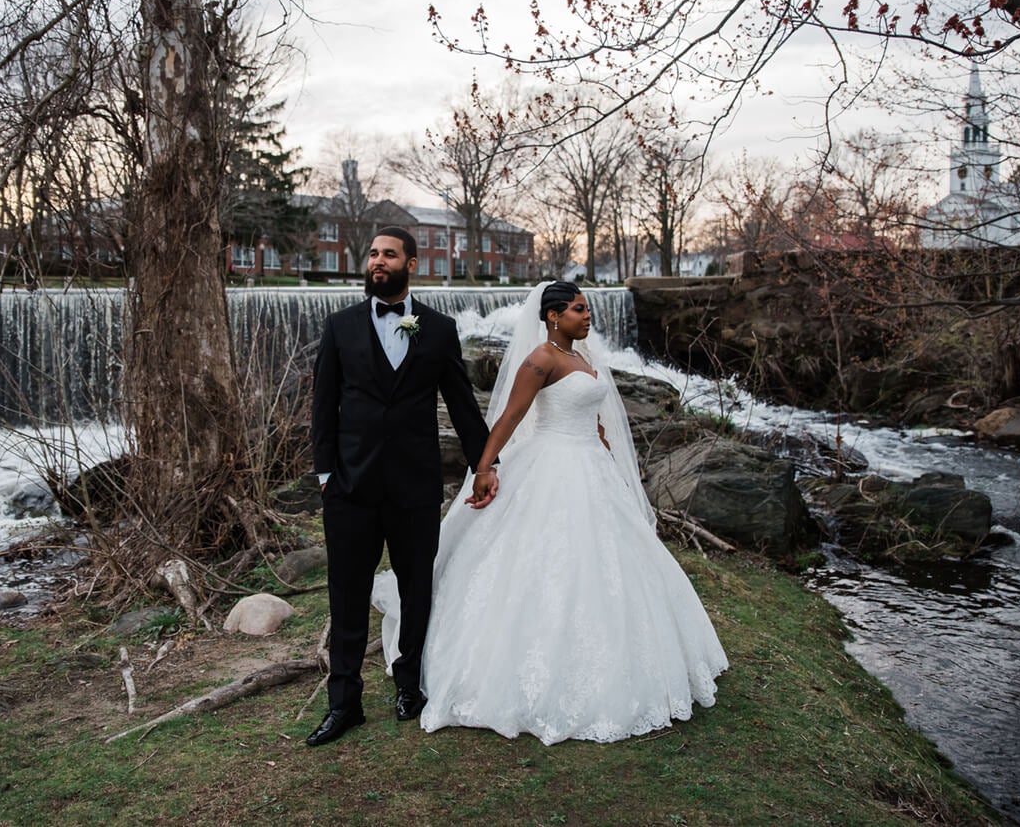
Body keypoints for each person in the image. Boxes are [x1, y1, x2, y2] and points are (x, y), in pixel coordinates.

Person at [373, 280, 728, 745]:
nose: (587, 317)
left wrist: (610, 457)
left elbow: (595, 418)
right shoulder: (540, 359)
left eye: (587, 309)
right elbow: (509, 418)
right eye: (579, 310)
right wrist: (484, 467)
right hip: (549, 465)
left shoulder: (583, 359)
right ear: (553, 316)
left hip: (591, 469)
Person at [306, 227, 497, 747]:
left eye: (388, 254)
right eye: (372, 254)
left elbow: (461, 404)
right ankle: (343, 704)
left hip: (415, 487)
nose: (377, 261)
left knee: (417, 590)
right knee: (346, 596)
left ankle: (409, 685)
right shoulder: (340, 326)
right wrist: (326, 476)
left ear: (411, 264)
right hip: (350, 488)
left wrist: (486, 463)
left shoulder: (438, 329)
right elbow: (323, 407)